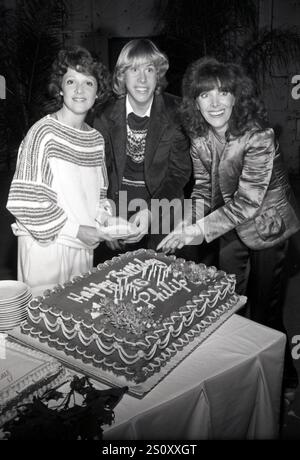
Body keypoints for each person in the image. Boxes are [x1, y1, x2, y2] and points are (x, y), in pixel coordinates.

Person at [158, 57, 300, 343]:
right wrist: (186, 223)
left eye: (223, 92)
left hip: (267, 226)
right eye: (204, 94)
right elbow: (202, 189)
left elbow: (248, 202)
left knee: (264, 314)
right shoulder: (199, 139)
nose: (214, 103)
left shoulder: (259, 136)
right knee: (227, 305)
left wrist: (198, 231)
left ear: (236, 97)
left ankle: (284, 377)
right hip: (227, 224)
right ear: (195, 103)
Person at [7, 46, 115, 289]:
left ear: (98, 92)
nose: (79, 90)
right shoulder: (43, 133)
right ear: (60, 89)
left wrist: (107, 219)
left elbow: (98, 195)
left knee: (75, 320)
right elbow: (26, 201)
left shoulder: (96, 140)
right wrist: (77, 230)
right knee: (43, 322)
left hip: (83, 249)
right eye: (71, 81)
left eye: (88, 82)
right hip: (46, 249)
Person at [93, 38, 193, 264]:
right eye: (134, 69)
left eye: (149, 69)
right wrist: (106, 218)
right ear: (121, 76)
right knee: (117, 281)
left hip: (163, 202)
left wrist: (151, 211)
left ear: (158, 74)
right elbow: (99, 171)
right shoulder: (103, 115)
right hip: (118, 202)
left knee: (164, 278)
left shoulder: (177, 111)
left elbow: (178, 173)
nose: (142, 79)